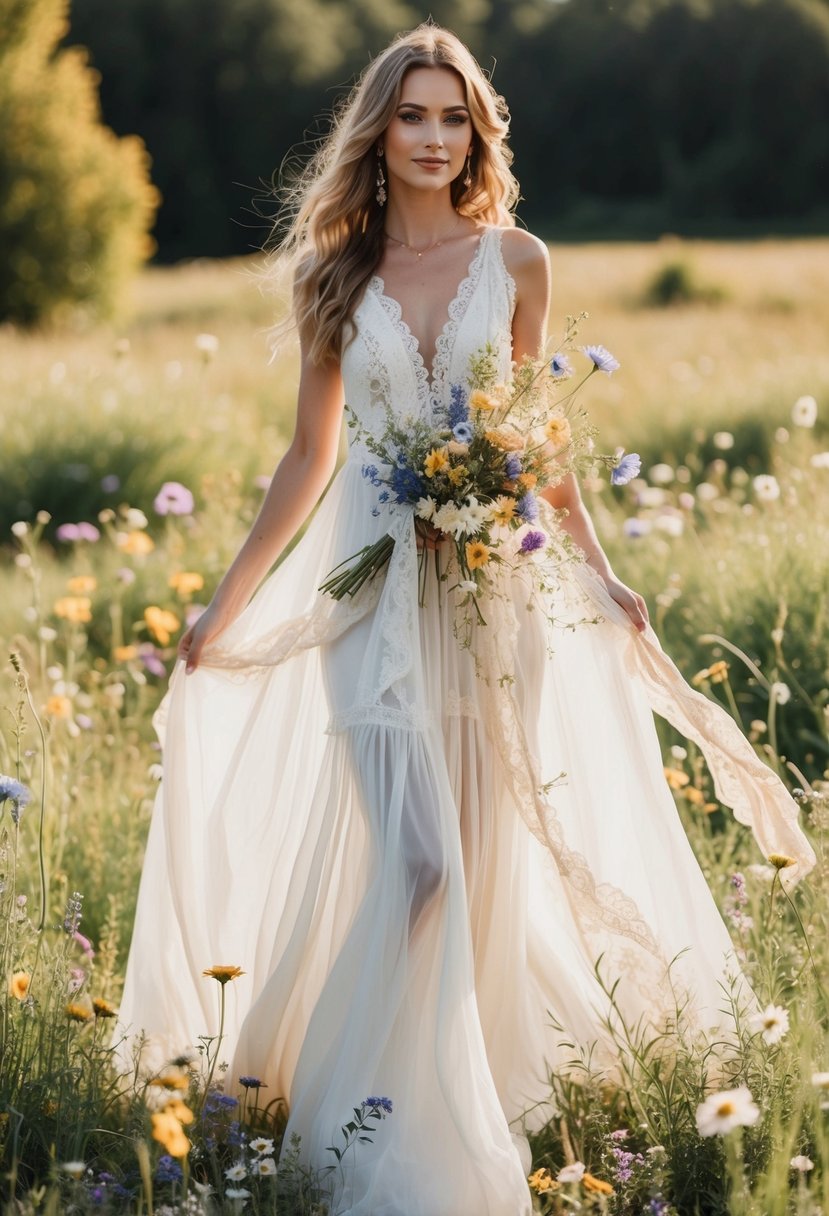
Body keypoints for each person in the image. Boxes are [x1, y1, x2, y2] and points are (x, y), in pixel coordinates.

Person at [116, 23, 815, 1216]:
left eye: (454, 117)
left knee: (484, 866)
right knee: (421, 868)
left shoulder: (520, 263)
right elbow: (307, 455)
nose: (434, 138)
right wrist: (224, 598)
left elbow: (542, 445)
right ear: (377, 132)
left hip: (498, 602)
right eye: (412, 116)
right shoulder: (334, 274)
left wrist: (600, 574)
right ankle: (367, 1130)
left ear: (476, 133)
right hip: (371, 599)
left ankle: (470, 1081)